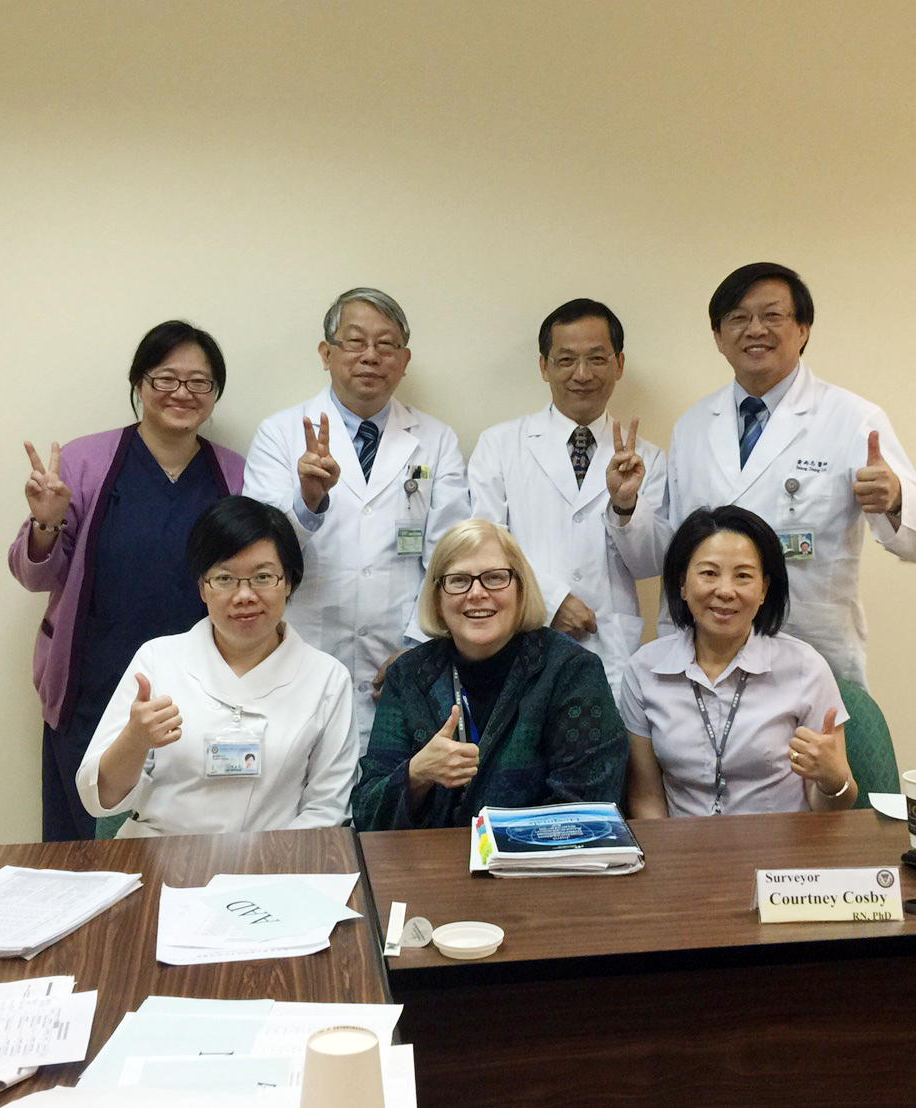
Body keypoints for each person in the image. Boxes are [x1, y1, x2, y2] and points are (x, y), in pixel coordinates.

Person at [9, 320, 245, 841]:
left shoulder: (236, 474)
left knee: (189, 841)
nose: (182, 393)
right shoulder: (84, 462)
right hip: (94, 683)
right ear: (140, 383)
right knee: (86, 844)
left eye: (199, 382)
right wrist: (45, 523)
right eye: (166, 378)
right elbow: (34, 576)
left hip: (201, 692)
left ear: (215, 393)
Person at [666, 262, 916, 686]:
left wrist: (895, 500)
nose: (755, 329)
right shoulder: (691, 426)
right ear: (718, 337)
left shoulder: (852, 418)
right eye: (738, 318)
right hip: (707, 655)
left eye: (772, 316)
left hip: (812, 654)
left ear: (803, 330)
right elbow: (675, 549)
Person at [243, 288, 470, 749]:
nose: (371, 356)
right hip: (301, 650)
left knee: (397, 779)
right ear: (326, 354)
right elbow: (256, 555)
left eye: (386, 344)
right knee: (303, 777)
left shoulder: (436, 439)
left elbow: (451, 556)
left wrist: (419, 644)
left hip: (402, 651)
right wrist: (307, 502)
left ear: (404, 360)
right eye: (355, 342)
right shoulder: (280, 433)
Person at [76, 496, 357, 836]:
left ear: (288, 583)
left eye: (262, 577)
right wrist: (134, 741)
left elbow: (327, 810)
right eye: (225, 579)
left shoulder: (327, 679)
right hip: (159, 854)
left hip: (275, 860)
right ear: (203, 589)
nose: (244, 595)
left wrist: (270, 864)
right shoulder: (158, 660)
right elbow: (99, 799)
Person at [353, 519, 628, 830]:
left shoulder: (571, 672)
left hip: (538, 859)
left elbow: (587, 809)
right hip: (427, 859)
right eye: (459, 580)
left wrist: (491, 846)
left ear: (521, 589)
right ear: (437, 598)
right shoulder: (408, 676)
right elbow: (366, 814)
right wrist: (416, 774)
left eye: (495, 578)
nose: (477, 593)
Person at [467, 298, 670, 702]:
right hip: (521, 637)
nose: (582, 374)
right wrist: (549, 601)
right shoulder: (500, 445)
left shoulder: (647, 458)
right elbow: (483, 546)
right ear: (544, 367)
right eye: (566, 360)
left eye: (597, 358)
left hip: (611, 651)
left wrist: (625, 507)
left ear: (619, 364)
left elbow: (651, 564)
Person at [624, 506, 856, 818]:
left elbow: (831, 806)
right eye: (709, 573)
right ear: (682, 584)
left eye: (743, 576)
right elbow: (646, 798)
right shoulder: (644, 670)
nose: (725, 591)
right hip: (685, 846)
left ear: (763, 590)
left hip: (783, 845)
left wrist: (833, 780)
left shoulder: (806, 667)